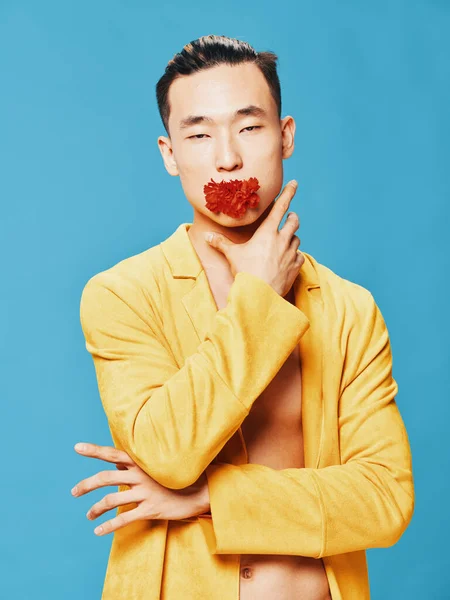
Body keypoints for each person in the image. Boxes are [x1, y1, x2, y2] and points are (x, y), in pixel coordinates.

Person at [71, 34, 415, 600]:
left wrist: (210, 499)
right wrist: (258, 296)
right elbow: (170, 452)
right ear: (169, 153)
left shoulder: (350, 309)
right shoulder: (122, 294)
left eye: (249, 127)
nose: (227, 157)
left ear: (285, 137)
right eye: (199, 133)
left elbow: (385, 499)